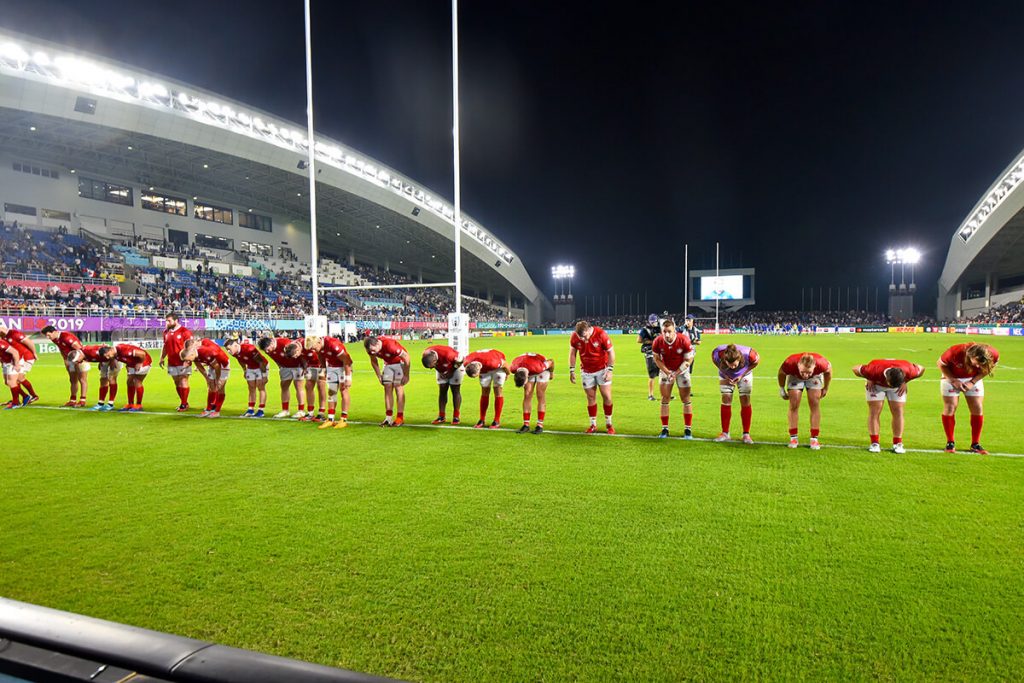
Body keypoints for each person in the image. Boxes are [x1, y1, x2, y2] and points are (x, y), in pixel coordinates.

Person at [937, 343, 999, 454]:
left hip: (973, 378)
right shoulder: (955, 352)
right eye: (977, 363)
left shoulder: (993, 354)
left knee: (977, 408)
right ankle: (950, 443)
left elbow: (987, 369)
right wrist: (953, 380)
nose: (978, 366)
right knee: (950, 407)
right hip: (951, 376)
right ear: (970, 356)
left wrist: (972, 382)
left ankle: (975, 444)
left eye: (981, 364)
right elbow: (941, 364)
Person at [853, 358, 925, 453]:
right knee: (874, 411)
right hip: (876, 384)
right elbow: (855, 368)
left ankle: (898, 443)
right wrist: (869, 377)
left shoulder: (910, 370)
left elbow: (922, 369)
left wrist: (905, 382)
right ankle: (874, 443)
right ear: (886, 379)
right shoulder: (873, 370)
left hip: (898, 386)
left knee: (898, 411)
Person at [568, 320, 616, 434]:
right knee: (590, 398)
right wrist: (571, 370)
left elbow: (611, 352)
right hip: (586, 371)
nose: (583, 340)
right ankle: (593, 425)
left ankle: (609, 424)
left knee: (607, 397)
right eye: (581, 338)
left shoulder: (601, 334)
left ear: (589, 329)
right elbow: (572, 353)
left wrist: (609, 370)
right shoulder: (575, 336)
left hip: (602, 369)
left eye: (585, 336)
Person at [777, 352, 832, 450]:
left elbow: (828, 371)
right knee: (794, 404)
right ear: (798, 365)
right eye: (803, 372)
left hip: (815, 377)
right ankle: (793, 438)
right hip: (795, 376)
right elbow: (781, 372)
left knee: (814, 402)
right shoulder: (790, 363)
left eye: (808, 372)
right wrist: (781, 388)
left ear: (814, 366)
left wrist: (826, 388)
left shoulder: (821, 363)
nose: (806, 376)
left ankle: (814, 439)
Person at [651, 319, 695, 439]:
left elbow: (689, 360)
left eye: (669, 331)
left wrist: (676, 373)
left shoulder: (683, 340)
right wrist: (667, 371)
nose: (667, 334)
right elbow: (657, 359)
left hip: (682, 370)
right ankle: (665, 429)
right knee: (665, 398)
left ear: (674, 330)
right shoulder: (657, 341)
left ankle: (688, 430)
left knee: (685, 398)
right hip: (666, 371)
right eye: (664, 331)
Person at [711, 343, 760, 443]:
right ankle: (725, 433)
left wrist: (741, 375)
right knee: (726, 399)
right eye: (730, 365)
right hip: (726, 375)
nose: (733, 367)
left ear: (739, 359)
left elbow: (756, 362)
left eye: (734, 365)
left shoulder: (750, 354)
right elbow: (714, 361)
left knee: (745, 400)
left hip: (745, 375)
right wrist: (725, 374)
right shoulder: (718, 353)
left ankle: (746, 434)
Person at [304, 336, 353, 428]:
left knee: (343, 390)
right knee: (331, 392)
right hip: (331, 368)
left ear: (318, 343)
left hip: (343, 367)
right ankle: (330, 419)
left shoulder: (333, 344)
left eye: (314, 348)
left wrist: (348, 377)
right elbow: (320, 356)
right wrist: (324, 369)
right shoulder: (319, 348)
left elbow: (346, 360)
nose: (314, 350)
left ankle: (343, 419)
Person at [364, 335, 410, 427]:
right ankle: (388, 417)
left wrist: (406, 374)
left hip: (399, 362)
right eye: (370, 351)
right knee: (387, 388)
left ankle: (400, 417)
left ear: (377, 343)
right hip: (388, 364)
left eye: (373, 350)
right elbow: (374, 361)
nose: (372, 352)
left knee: (398, 386)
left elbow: (406, 357)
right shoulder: (370, 349)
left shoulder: (390, 345)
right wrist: (379, 376)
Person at [256, 335, 305, 418]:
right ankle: (285, 410)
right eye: (265, 350)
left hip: (297, 366)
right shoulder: (268, 350)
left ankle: (301, 410)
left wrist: (304, 366)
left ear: (271, 343)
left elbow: (298, 351)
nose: (267, 351)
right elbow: (275, 359)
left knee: (298, 387)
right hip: (285, 368)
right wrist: (280, 366)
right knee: (284, 387)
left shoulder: (284, 343)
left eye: (267, 349)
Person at [180, 338, 231, 418]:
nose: (187, 362)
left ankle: (217, 411)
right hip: (211, 364)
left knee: (220, 387)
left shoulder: (205, 352)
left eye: (187, 360)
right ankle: (208, 409)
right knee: (211, 386)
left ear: (191, 355)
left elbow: (217, 366)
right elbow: (199, 367)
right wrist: (207, 378)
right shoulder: (194, 355)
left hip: (222, 364)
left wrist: (218, 380)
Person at [463, 348, 512, 429]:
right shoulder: (466, 362)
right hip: (485, 366)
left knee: (497, 390)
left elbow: (505, 364)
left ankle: (496, 420)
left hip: (498, 367)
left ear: (479, 370)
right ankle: (482, 419)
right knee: (484, 391)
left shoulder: (493, 362)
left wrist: (507, 374)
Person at [42, 326, 88, 407]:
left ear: (54, 332)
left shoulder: (66, 337)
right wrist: (65, 360)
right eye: (46, 336)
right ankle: (72, 400)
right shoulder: (54, 339)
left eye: (49, 335)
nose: (48, 337)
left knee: (82, 379)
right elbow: (61, 349)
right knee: (72, 380)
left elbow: (80, 349)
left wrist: (79, 361)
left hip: (80, 359)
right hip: (70, 361)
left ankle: (82, 400)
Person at [100, 343, 152, 412]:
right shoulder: (114, 354)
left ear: (111, 350)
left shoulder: (123, 349)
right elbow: (126, 358)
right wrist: (128, 365)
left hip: (143, 361)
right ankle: (130, 404)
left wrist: (140, 363)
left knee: (137, 381)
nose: (107, 357)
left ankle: (139, 405)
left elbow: (142, 354)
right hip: (132, 363)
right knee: (129, 382)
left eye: (108, 355)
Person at [511, 353, 554, 434]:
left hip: (541, 370)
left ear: (527, 377)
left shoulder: (539, 367)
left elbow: (551, 361)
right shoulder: (513, 368)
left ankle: (540, 425)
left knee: (540, 394)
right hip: (528, 366)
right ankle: (526, 424)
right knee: (527, 394)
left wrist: (551, 373)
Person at [225, 337, 268, 417]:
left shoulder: (249, 349)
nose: (228, 351)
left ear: (235, 345)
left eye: (229, 349)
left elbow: (261, 361)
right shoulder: (234, 353)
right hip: (250, 367)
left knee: (260, 387)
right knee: (251, 387)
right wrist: (245, 370)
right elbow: (240, 360)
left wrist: (264, 375)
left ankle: (261, 410)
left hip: (261, 366)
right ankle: (250, 409)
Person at [159, 313, 193, 412]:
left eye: (169, 321)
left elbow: (191, 348)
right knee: (177, 382)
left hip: (183, 362)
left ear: (176, 320)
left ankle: (183, 404)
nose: (167, 323)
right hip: (171, 361)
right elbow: (165, 346)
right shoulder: (165, 332)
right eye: (166, 321)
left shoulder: (185, 332)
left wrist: (188, 360)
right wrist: (162, 358)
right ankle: (184, 402)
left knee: (183, 380)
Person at [422, 345, 464, 424]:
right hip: (442, 368)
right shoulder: (426, 354)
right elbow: (433, 365)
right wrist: (441, 371)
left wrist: (451, 371)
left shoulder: (449, 354)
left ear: (435, 360)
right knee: (442, 390)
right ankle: (441, 416)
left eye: (432, 366)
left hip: (456, 366)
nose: (431, 368)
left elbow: (461, 359)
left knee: (455, 390)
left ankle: (456, 417)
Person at [71, 345, 120, 411]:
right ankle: (100, 403)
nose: (78, 362)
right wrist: (100, 361)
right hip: (104, 361)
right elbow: (100, 355)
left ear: (79, 356)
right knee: (103, 380)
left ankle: (110, 403)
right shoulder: (83, 356)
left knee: (112, 379)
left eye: (77, 360)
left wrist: (113, 360)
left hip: (114, 358)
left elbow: (108, 349)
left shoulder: (89, 350)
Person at [0, 323, 38, 405]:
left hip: (26, 357)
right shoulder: (2, 337)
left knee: (18, 379)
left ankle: (32, 396)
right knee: (9, 381)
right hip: (16, 358)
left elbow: (29, 342)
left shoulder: (14, 333)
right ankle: (21, 397)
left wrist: (34, 353)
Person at [297, 339, 327, 422]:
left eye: (296, 354)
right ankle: (310, 413)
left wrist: (325, 367)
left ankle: (321, 412)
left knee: (321, 387)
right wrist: (305, 367)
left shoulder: (308, 342)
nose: (296, 356)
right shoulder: (298, 345)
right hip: (311, 366)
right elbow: (302, 357)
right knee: (308, 386)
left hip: (321, 365)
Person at [637, 314, 662, 401]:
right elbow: (639, 340)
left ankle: (665, 394)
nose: (654, 323)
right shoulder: (645, 329)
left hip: (660, 354)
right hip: (650, 353)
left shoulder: (660, 328)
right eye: (652, 322)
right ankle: (650, 395)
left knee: (663, 374)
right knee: (652, 375)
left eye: (655, 321)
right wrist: (653, 341)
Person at [0, 338, 25, 409]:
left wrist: (17, 365)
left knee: (11, 382)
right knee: (7, 382)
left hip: (13, 362)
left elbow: (15, 352)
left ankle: (15, 403)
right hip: (6, 362)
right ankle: (25, 396)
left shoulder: (1, 343)